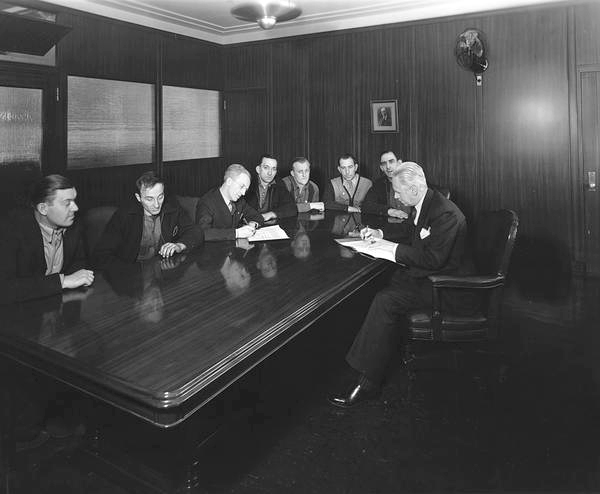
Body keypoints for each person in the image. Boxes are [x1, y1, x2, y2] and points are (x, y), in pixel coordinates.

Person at [329, 162, 474, 408]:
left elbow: (433, 260)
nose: (395, 196)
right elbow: (409, 232)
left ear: (415, 189)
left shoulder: (445, 213)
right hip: (428, 279)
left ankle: (366, 383)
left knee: (385, 300)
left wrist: (393, 250)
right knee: (379, 288)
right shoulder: (425, 203)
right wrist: (380, 234)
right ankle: (366, 360)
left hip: (447, 289)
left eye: (397, 191)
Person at [0, 174, 94, 304]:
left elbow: (79, 271)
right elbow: (4, 289)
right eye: (67, 203)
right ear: (43, 208)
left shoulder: (75, 226)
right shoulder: (10, 231)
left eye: (74, 201)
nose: (76, 208)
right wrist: (63, 281)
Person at [92, 172, 202, 268]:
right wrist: (127, 271)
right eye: (149, 199)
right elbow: (101, 256)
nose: (157, 204)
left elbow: (196, 232)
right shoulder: (125, 216)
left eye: (160, 197)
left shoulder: (172, 207)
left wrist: (179, 245)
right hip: (132, 277)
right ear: (138, 198)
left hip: (163, 271)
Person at [196, 164, 264, 241]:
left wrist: (253, 224)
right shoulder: (206, 202)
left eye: (246, 189)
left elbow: (258, 216)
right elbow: (203, 233)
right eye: (242, 187)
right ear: (229, 181)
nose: (243, 193)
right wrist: (237, 233)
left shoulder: (239, 201)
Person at [361, 150, 411, 220]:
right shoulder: (379, 184)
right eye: (384, 164)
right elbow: (366, 206)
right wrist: (390, 211)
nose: (388, 167)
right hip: (390, 227)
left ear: (399, 163)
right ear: (381, 168)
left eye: (391, 162)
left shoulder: (412, 179)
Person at [246, 154, 297, 221]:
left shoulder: (279, 183)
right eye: (266, 167)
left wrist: (271, 214)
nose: (270, 173)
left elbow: (292, 208)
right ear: (258, 169)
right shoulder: (248, 184)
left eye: (273, 169)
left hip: (269, 225)